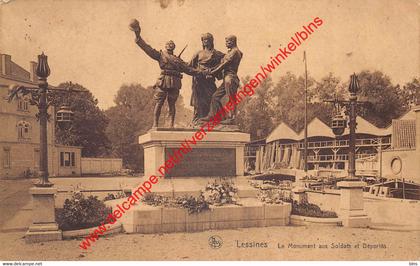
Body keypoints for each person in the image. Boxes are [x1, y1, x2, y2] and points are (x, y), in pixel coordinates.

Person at [130, 19, 202, 128]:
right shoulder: (160, 55)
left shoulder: (178, 60)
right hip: (163, 81)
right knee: (159, 103)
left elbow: (189, 69)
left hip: (175, 82)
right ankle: (155, 124)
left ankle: (171, 125)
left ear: (174, 47)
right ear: (165, 46)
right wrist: (138, 35)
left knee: (172, 104)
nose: (170, 45)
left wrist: (203, 72)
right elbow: (147, 49)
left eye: (172, 44)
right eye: (168, 44)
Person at [201, 35, 243, 124]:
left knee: (231, 98)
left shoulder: (235, 52)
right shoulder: (231, 52)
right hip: (226, 78)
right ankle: (213, 115)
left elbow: (224, 65)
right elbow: (220, 64)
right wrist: (211, 70)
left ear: (233, 41)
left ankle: (232, 119)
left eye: (228, 42)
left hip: (230, 78)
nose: (226, 44)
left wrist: (212, 72)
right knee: (215, 96)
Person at [189, 33, 224, 124]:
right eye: (204, 39)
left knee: (213, 97)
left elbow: (226, 60)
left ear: (212, 41)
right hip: (199, 81)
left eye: (208, 39)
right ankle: (198, 119)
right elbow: (189, 66)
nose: (206, 41)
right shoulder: (198, 53)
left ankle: (217, 118)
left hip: (209, 80)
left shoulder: (216, 53)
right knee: (199, 101)